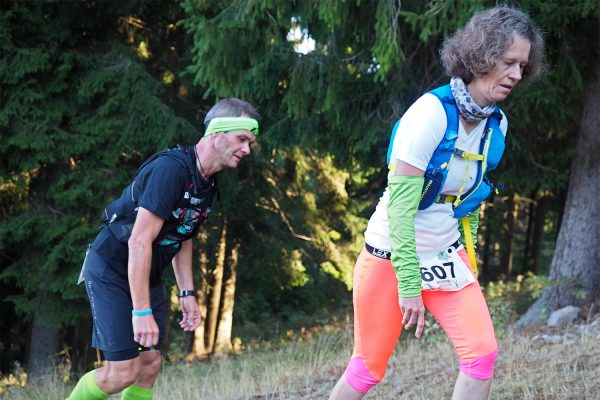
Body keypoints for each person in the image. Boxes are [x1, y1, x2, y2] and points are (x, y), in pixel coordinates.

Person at [329, 6, 545, 400]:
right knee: (368, 368)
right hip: (391, 255)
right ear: (481, 55)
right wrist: (409, 283)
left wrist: (469, 257)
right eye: (508, 62)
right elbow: (400, 207)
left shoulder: (496, 124)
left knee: (482, 355)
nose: (516, 75)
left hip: (446, 252)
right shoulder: (429, 113)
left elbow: (468, 201)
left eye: (522, 66)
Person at [67, 98, 260, 400]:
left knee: (149, 366)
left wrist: (187, 293)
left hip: (146, 273)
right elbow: (139, 241)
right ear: (216, 134)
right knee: (122, 372)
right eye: (242, 139)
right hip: (112, 269)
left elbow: (183, 233)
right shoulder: (170, 170)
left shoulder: (207, 182)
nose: (247, 149)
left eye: (250, 142)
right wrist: (141, 311)